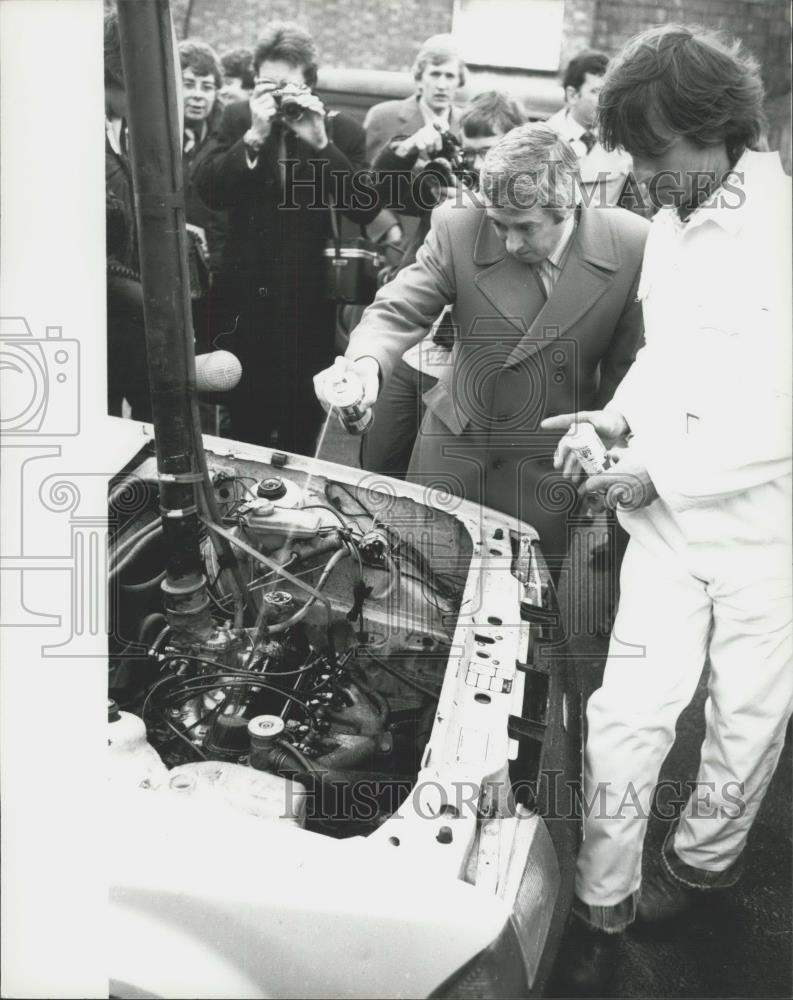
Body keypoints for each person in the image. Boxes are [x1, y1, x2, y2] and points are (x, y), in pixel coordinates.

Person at [541, 25, 792, 995]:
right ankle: (601, 895)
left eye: (654, 157)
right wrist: (612, 421)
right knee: (625, 712)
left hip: (767, 538)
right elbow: (662, 356)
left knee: (747, 718)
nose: (642, 179)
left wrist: (659, 474)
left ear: (714, 126)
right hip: (665, 526)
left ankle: (700, 863)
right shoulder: (676, 226)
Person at [314, 123, 649, 582]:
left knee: (512, 620)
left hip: (546, 471)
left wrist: (608, 445)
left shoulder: (632, 243)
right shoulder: (459, 223)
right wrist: (365, 366)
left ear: (568, 204)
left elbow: (628, 366)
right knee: (416, 599)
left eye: (525, 228)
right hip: (453, 452)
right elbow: (397, 309)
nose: (510, 243)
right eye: (499, 225)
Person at [195, 22, 376, 454]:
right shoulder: (239, 118)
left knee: (301, 421)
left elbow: (365, 206)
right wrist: (254, 137)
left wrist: (320, 143)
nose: (276, 96)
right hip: (243, 298)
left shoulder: (339, 129)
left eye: (286, 86)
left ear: (309, 83)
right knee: (245, 423)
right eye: (266, 84)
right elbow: (208, 189)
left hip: (309, 298)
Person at [361, 91, 527, 478]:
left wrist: (480, 216)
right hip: (415, 349)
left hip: (466, 365)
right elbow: (376, 191)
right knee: (377, 464)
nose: (480, 164)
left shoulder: (527, 209)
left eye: (491, 151)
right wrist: (410, 148)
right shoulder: (450, 183)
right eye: (471, 154)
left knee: (433, 480)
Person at [362, 34, 468, 253]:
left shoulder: (469, 124)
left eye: (449, 76)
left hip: (453, 244)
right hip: (399, 244)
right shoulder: (384, 117)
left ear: (459, 82)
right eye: (435, 74)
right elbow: (361, 181)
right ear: (419, 79)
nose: (441, 84)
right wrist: (389, 229)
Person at [546, 50, 634, 209]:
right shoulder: (542, 140)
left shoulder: (625, 142)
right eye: (596, 91)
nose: (606, 100)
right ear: (573, 95)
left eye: (609, 91)